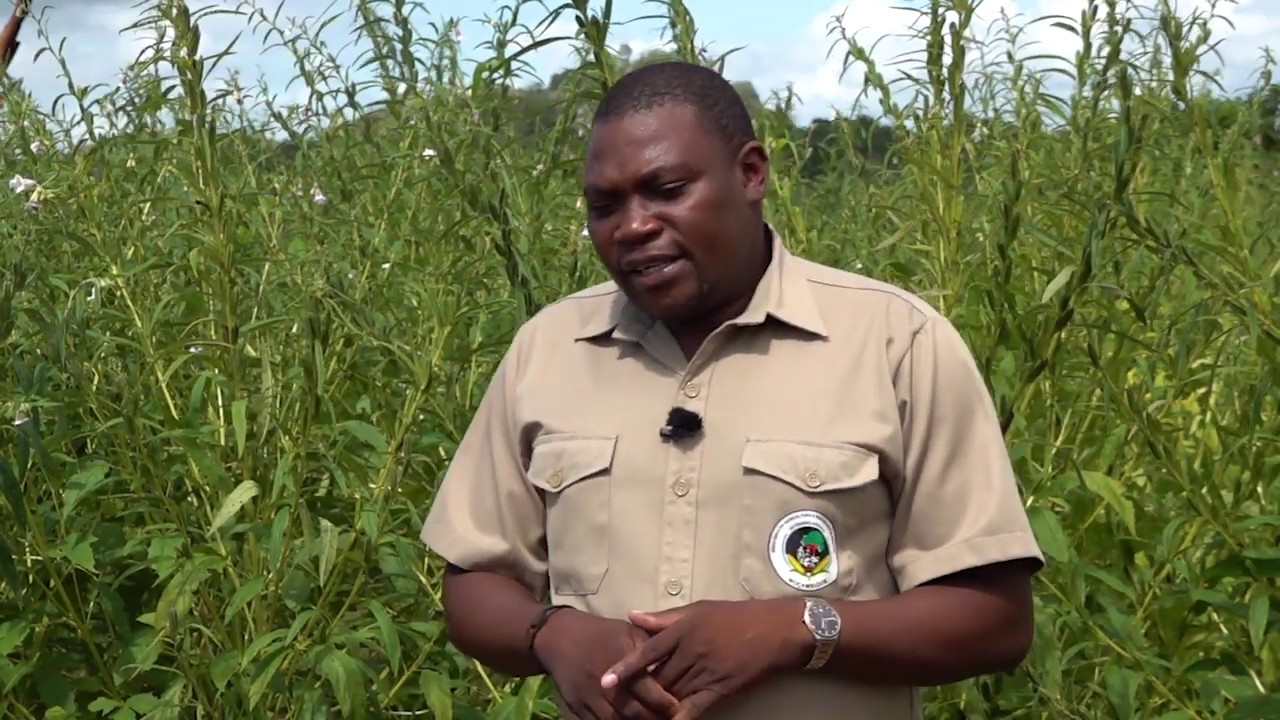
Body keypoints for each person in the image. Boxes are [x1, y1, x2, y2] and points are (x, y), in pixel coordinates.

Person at [419, 60, 1046, 720]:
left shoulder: (895, 342)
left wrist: (796, 631)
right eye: (604, 206)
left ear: (750, 173)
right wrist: (553, 635)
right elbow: (475, 579)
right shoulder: (547, 349)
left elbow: (996, 621)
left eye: (666, 190)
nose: (633, 226)